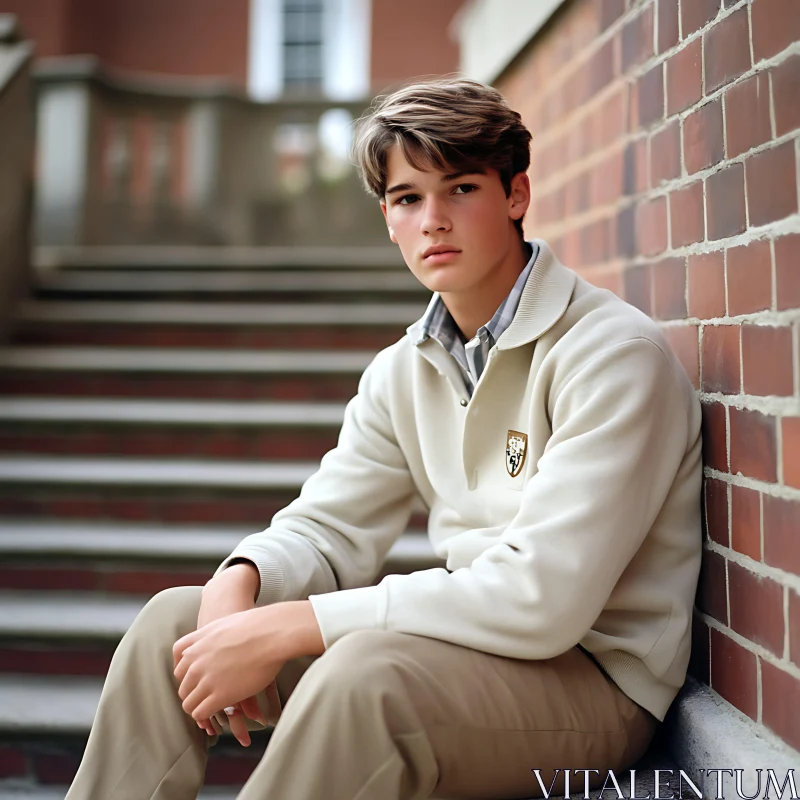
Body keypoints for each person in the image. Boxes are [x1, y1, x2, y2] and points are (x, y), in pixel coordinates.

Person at [65, 76, 703, 800]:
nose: (433, 220)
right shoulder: (404, 369)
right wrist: (238, 584)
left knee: (362, 680)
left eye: (460, 189)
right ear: (388, 218)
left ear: (515, 195)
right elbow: (328, 525)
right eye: (408, 199)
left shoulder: (612, 354)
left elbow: (541, 598)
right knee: (171, 629)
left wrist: (290, 629)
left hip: (592, 685)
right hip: (464, 651)